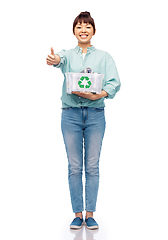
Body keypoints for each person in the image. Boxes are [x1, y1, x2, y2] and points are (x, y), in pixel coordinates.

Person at [46, 11, 121, 230]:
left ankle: (91, 214)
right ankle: (78, 214)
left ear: (94, 31)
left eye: (87, 26)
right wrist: (55, 59)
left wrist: (102, 94)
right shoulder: (68, 54)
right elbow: (58, 60)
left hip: (96, 115)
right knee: (74, 166)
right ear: (74, 31)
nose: (83, 30)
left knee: (92, 166)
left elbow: (114, 82)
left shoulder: (104, 57)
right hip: (70, 114)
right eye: (79, 26)